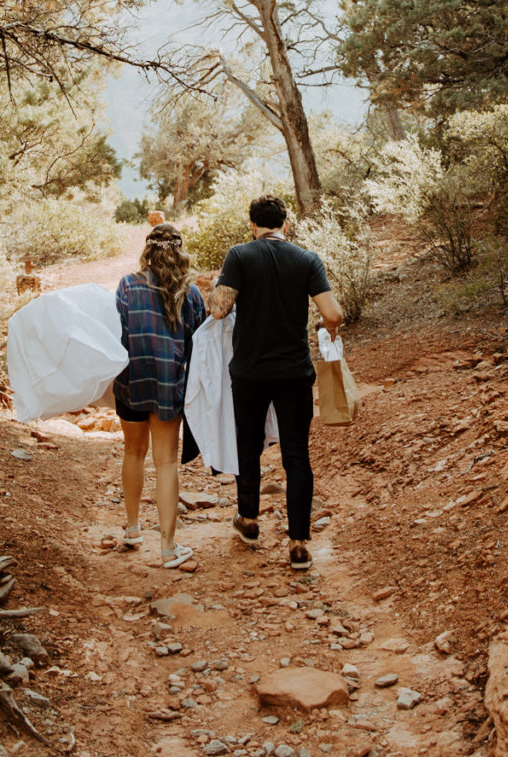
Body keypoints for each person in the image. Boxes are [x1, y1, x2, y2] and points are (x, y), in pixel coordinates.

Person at [207, 194, 342, 573]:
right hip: (294, 372)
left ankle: (249, 522)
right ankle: (298, 544)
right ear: (286, 223)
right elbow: (332, 313)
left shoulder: (239, 255)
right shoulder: (307, 259)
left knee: (248, 445)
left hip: (249, 371)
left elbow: (219, 308)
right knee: (297, 455)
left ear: (252, 225)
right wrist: (323, 325)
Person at [114, 224, 206, 569]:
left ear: (147, 251)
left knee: (133, 452)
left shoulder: (127, 285)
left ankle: (133, 529)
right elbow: (199, 345)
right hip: (168, 387)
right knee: (166, 461)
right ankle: (168, 548)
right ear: (179, 251)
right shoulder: (191, 293)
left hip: (131, 382)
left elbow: (116, 331)